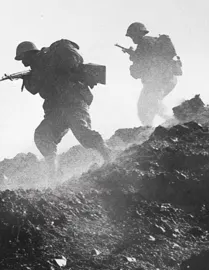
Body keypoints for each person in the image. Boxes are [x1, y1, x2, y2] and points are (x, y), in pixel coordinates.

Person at [14, 40, 111, 178]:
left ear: (30, 54)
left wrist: (52, 71)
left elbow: (72, 62)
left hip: (73, 102)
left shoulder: (51, 56)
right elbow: (35, 89)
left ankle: (109, 155)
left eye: (23, 58)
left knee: (82, 132)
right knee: (42, 135)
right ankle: (53, 173)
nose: (23, 63)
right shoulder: (36, 70)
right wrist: (28, 79)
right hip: (56, 110)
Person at [121, 22, 182, 126]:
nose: (132, 38)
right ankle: (150, 128)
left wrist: (132, 55)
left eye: (132, 36)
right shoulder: (149, 42)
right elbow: (146, 58)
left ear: (138, 33)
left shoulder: (144, 42)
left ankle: (176, 122)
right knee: (145, 106)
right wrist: (133, 54)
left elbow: (142, 62)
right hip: (163, 79)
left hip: (160, 79)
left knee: (150, 104)